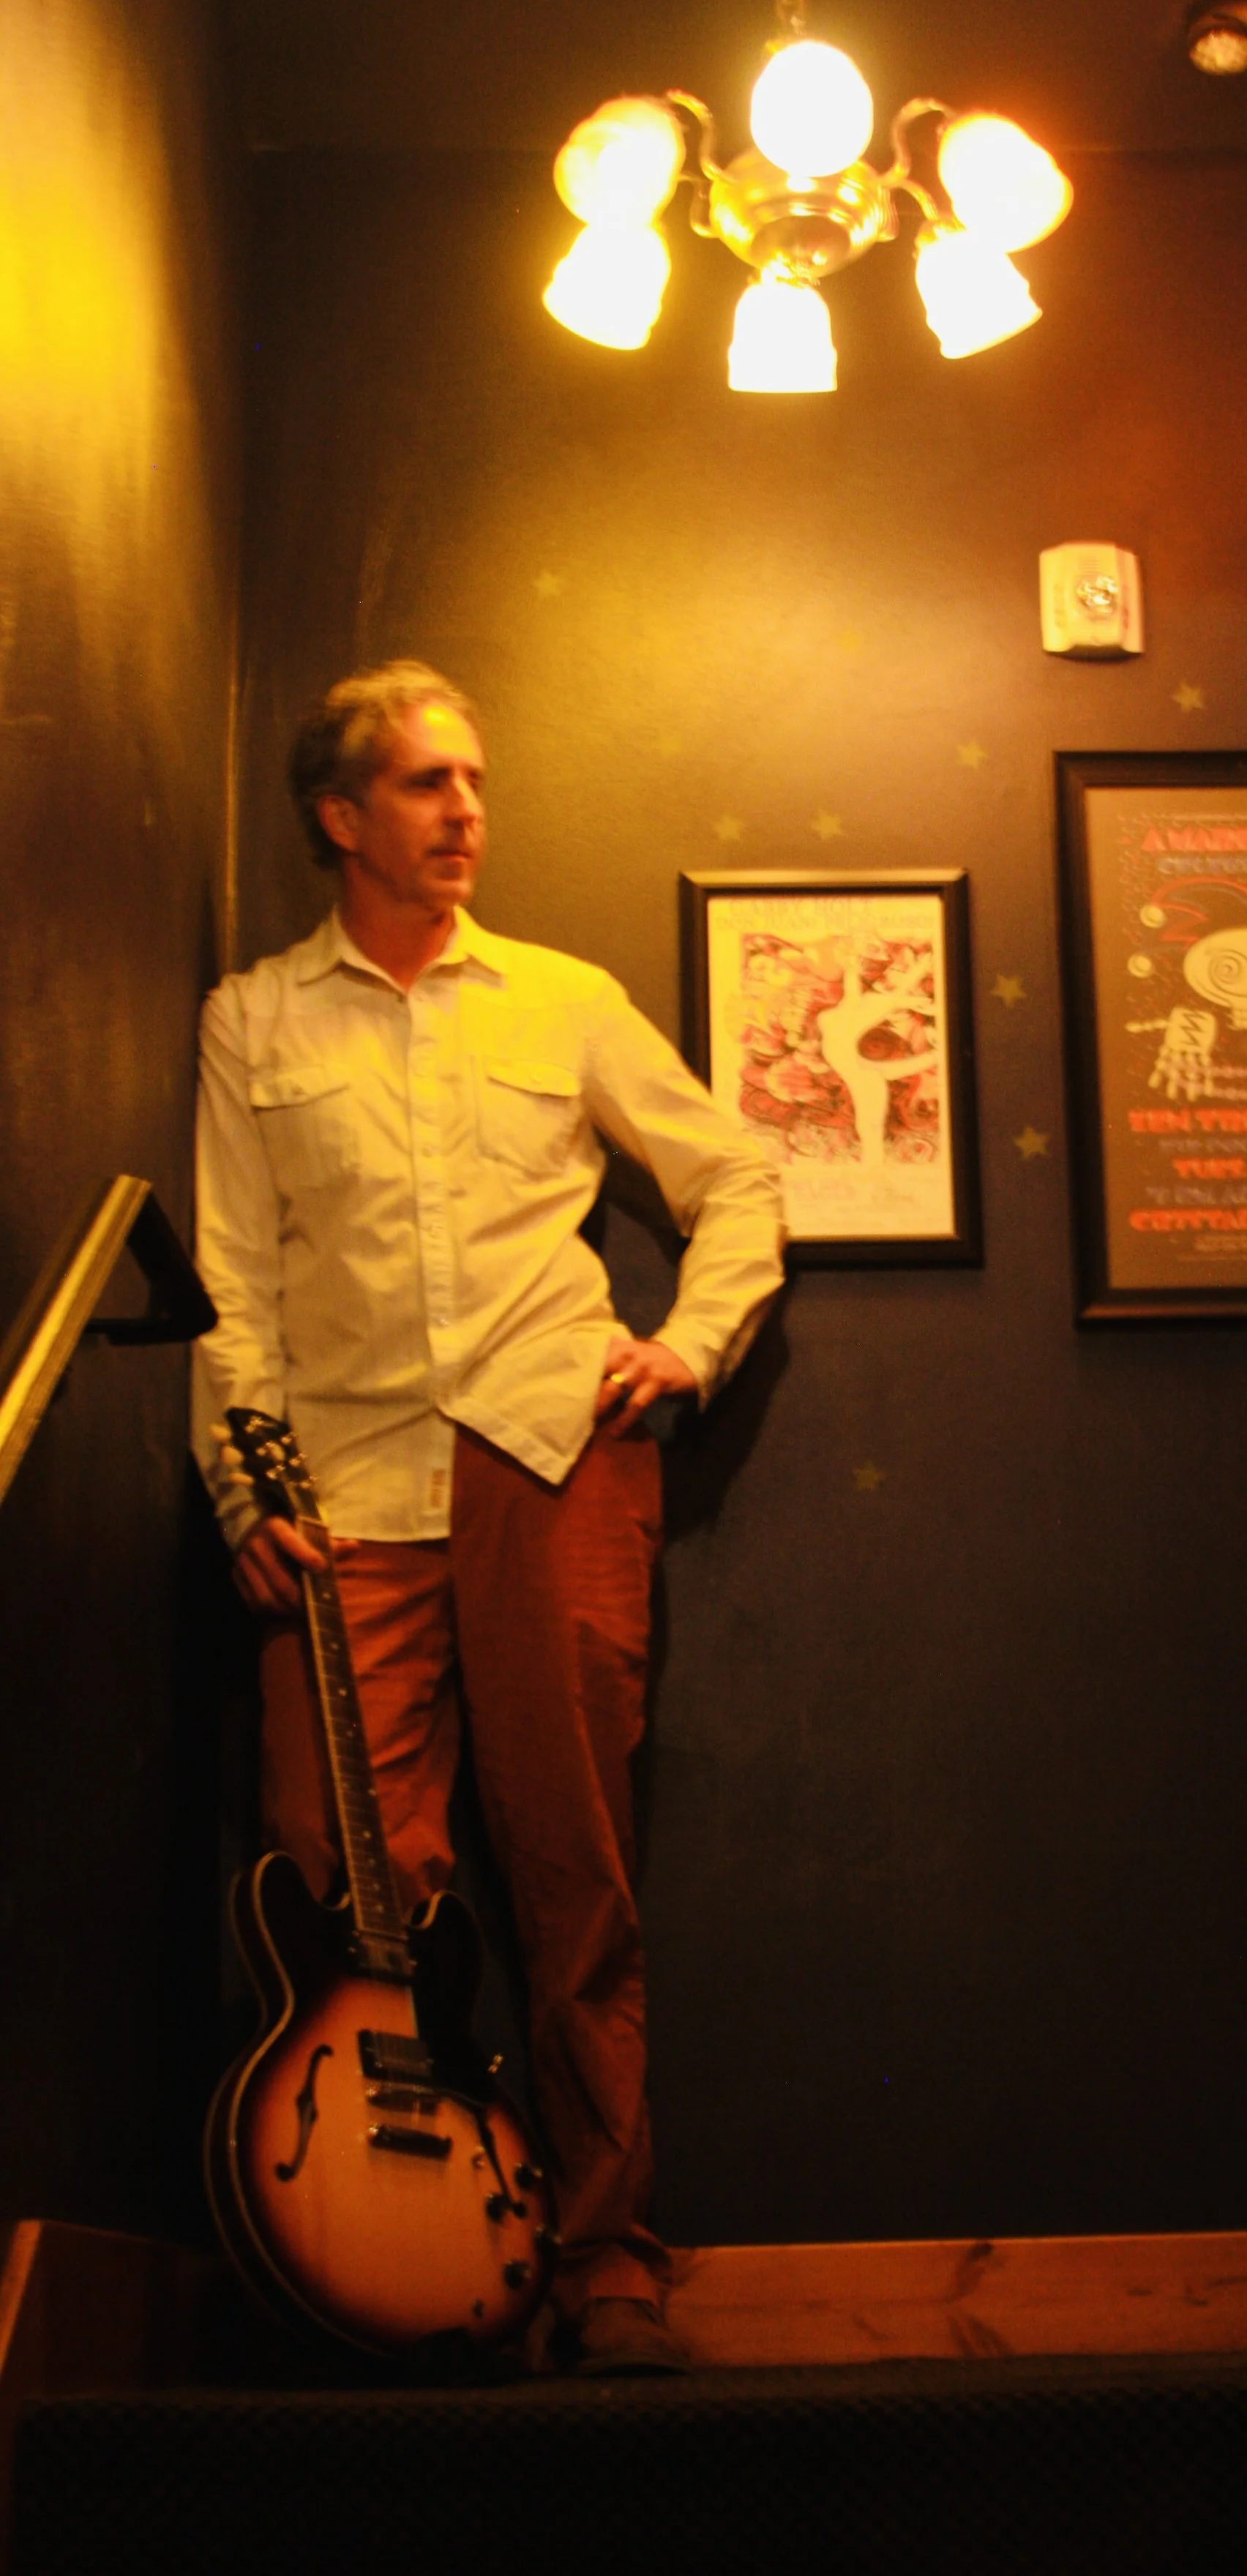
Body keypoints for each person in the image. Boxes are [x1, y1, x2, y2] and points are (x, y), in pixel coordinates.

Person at [191, 660, 784, 2373]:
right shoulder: (253, 1020)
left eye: (476, 781)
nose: (468, 812)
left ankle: (603, 2258)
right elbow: (231, 1278)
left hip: (549, 1452)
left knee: (572, 1870)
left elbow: (736, 1171)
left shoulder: (562, 995)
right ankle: (395, 2257)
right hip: (342, 1491)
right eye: (430, 782)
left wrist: (686, 1343)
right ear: (341, 814)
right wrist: (240, 1477)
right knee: (341, 1883)